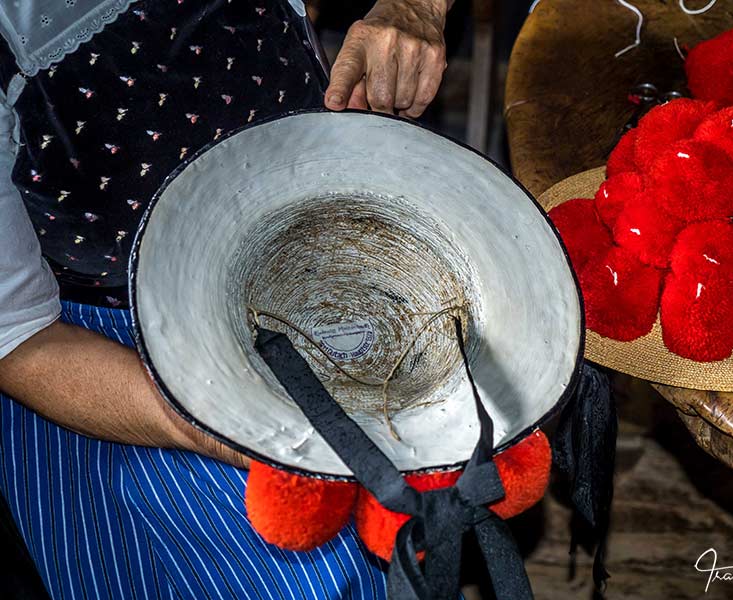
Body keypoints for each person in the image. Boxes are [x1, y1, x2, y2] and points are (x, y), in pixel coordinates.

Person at [0, 0, 452, 597]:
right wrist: (241, 424)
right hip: (114, 372)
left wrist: (414, 8)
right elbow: (18, 337)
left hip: (315, 297)